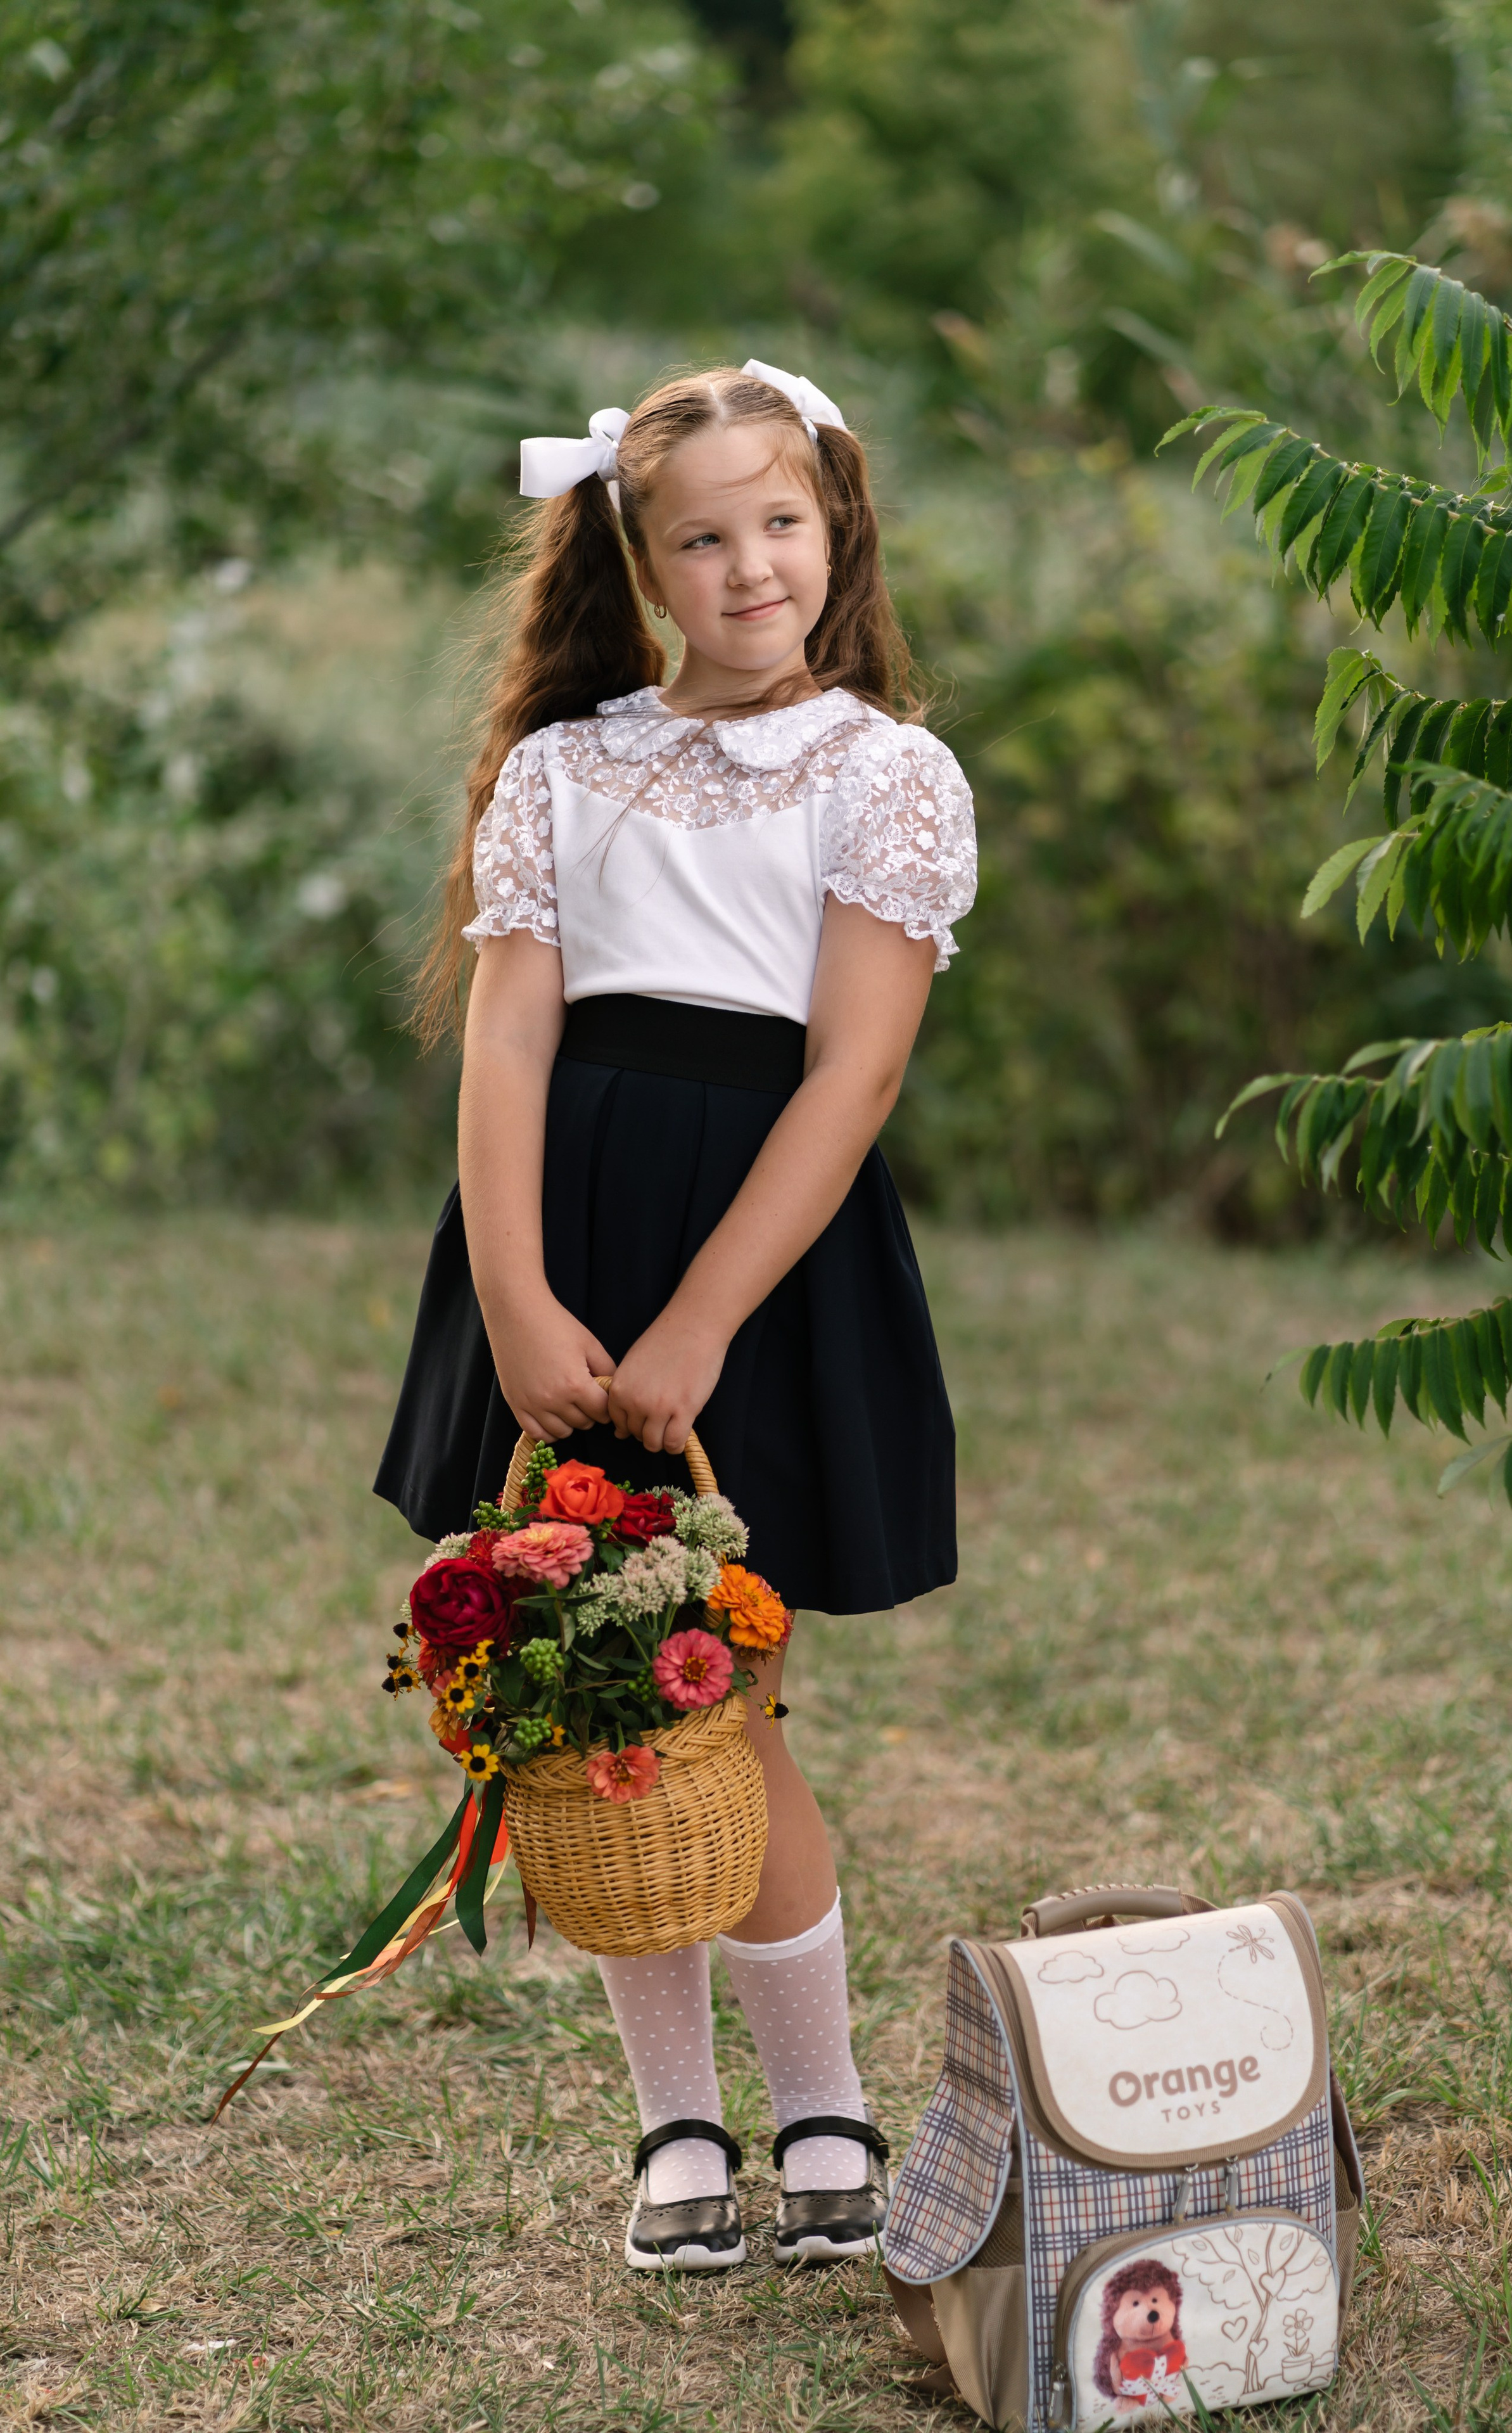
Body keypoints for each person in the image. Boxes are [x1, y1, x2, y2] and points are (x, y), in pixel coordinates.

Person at [375, 360, 976, 2272]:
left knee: (734, 1687)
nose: (748, 569)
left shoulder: (887, 773)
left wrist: (708, 1319)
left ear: (836, 529)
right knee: (600, 1692)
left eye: (779, 524)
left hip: (762, 1265)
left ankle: (821, 2112)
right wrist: (515, 1291)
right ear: (638, 560)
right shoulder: (565, 767)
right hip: (563, 1233)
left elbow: (854, 1078)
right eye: (702, 537)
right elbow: (513, 1038)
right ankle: (680, 2140)